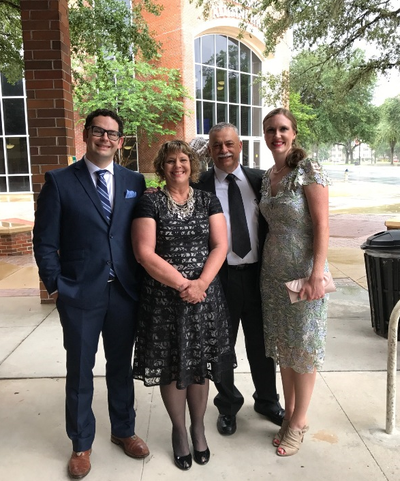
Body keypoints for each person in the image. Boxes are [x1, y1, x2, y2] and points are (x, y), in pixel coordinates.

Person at [33, 109, 149, 479]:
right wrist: (57, 284)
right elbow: (45, 241)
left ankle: (123, 430)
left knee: (120, 366)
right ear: (86, 134)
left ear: (120, 141)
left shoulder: (135, 181)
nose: (105, 138)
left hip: (124, 292)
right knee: (80, 370)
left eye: (112, 134)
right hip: (80, 293)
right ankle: (81, 443)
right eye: (98, 131)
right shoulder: (60, 181)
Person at [132, 140, 235, 470]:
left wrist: (201, 284)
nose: (178, 165)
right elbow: (144, 253)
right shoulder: (150, 203)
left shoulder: (208, 200)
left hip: (204, 297)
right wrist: (182, 285)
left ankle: (198, 428)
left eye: (184, 160)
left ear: (192, 164)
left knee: (200, 363)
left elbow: (220, 245)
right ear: (162, 167)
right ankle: (179, 431)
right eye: (171, 161)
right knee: (171, 364)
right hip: (165, 298)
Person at [192, 122, 284, 436]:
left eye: (229, 144)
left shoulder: (261, 180)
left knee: (262, 344)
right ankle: (228, 405)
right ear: (210, 150)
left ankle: (267, 400)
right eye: (217, 145)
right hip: (220, 278)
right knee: (221, 347)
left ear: (240, 145)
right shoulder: (199, 185)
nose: (223, 151)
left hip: (259, 276)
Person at [260, 108, 331, 456]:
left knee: (303, 347)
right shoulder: (269, 175)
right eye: (271, 129)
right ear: (264, 134)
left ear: (294, 132)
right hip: (273, 275)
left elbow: (322, 225)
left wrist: (317, 272)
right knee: (283, 349)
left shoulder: (308, 168)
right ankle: (288, 414)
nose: (277, 135)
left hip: (305, 274)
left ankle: (299, 422)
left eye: (283, 129)